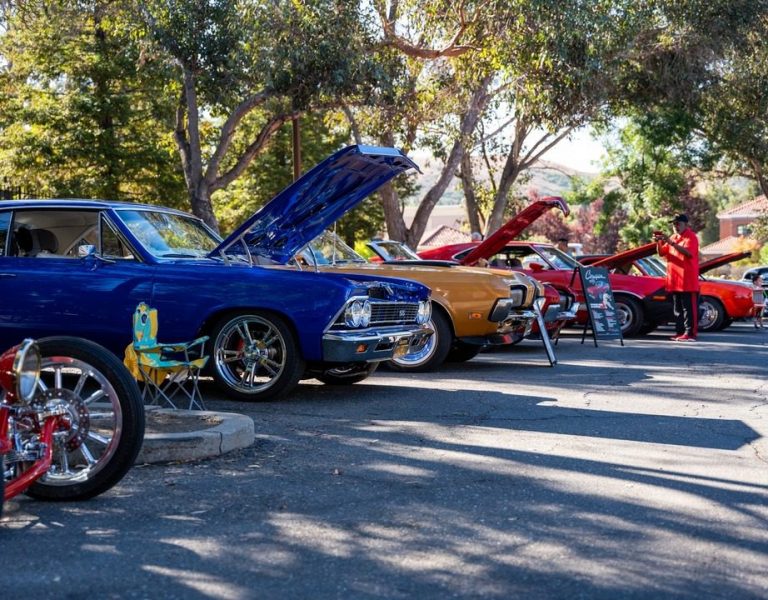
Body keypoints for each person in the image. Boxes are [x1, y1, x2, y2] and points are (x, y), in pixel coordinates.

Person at [653, 214, 700, 341]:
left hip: (688, 280)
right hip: (675, 280)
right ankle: (680, 332)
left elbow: (688, 253)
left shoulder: (691, 237)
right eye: (674, 224)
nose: (675, 226)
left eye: (678, 223)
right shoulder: (673, 237)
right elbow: (661, 253)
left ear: (686, 224)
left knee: (688, 309)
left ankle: (690, 333)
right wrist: (658, 242)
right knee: (677, 309)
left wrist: (671, 243)